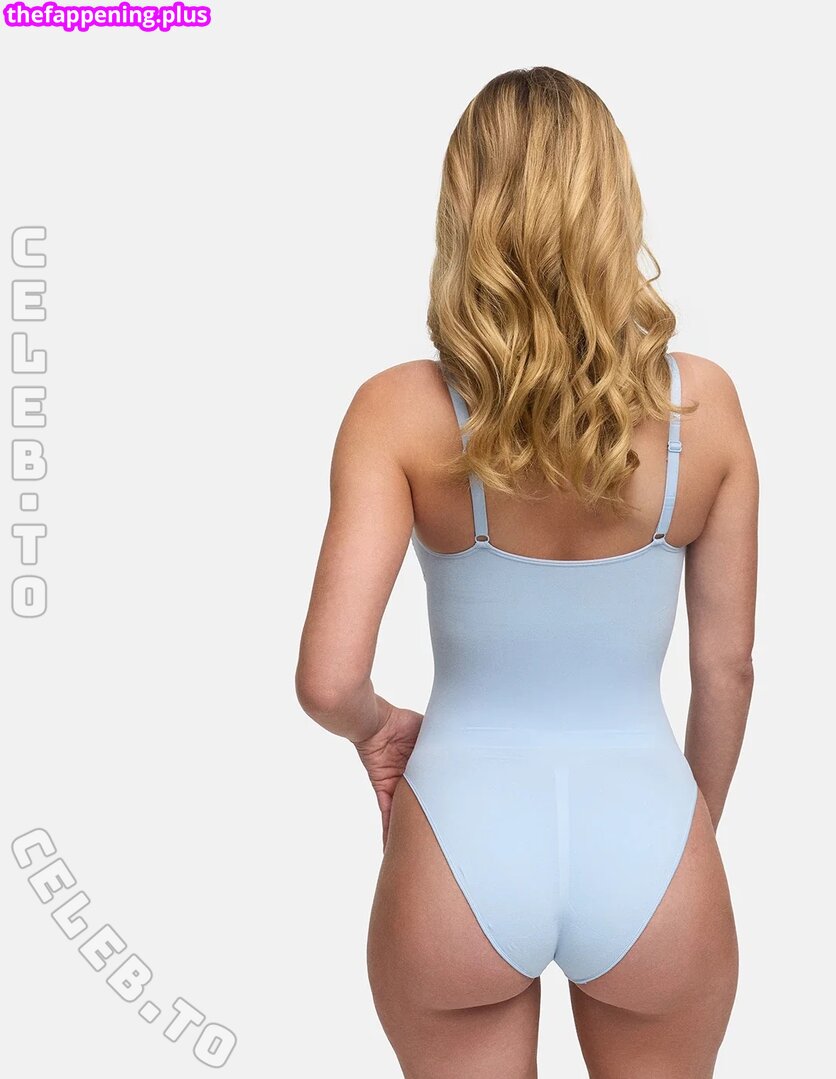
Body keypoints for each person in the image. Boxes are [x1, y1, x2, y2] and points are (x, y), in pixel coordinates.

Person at [296, 66, 758, 1079]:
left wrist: (378, 729)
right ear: (615, 203)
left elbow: (328, 680)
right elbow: (727, 672)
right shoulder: (705, 409)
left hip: (458, 839)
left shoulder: (397, 411)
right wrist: (682, 842)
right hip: (647, 834)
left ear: (465, 211)